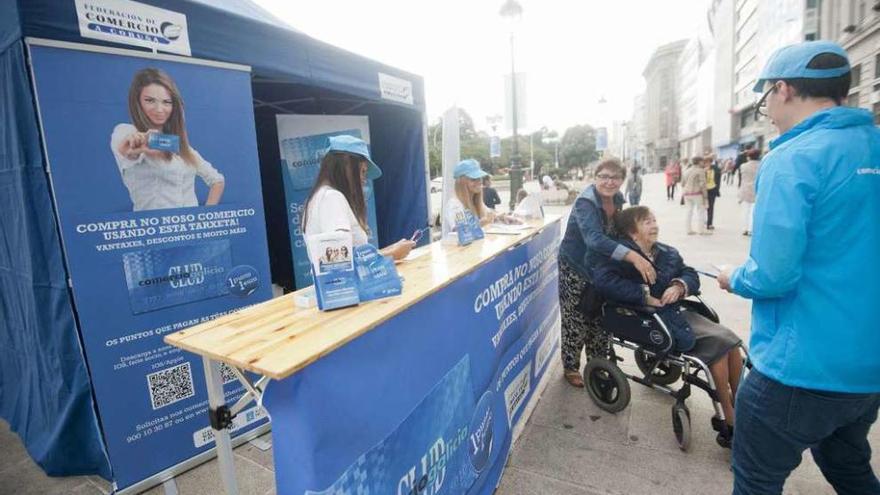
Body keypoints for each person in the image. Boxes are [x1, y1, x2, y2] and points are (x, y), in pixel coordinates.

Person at [716, 41, 880, 494]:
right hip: (867, 369)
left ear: (783, 89)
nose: (766, 108)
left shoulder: (792, 158)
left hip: (798, 369)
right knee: (848, 466)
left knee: (755, 481)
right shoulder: (874, 144)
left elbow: (773, 274)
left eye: (765, 97)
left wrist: (735, 277)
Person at [594, 206, 742, 444]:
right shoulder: (620, 258)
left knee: (732, 342)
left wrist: (680, 286)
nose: (654, 225)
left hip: (679, 313)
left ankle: (739, 402)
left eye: (654, 220)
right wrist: (643, 295)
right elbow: (604, 283)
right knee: (720, 350)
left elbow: (689, 273)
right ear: (632, 233)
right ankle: (729, 417)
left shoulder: (667, 252)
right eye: (646, 222)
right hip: (652, 318)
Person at [557, 158, 657, 388]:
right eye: (603, 176)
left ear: (622, 180)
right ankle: (571, 367)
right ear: (595, 177)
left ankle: (598, 363)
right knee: (576, 317)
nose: (609, 182)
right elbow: (593, 239)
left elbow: (621, 232)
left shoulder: (618, 199)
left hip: (602, 267)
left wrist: (643, 248)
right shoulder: (586, 202)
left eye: (614, 177)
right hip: (576, 267)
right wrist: (632, 257)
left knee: (602, 314)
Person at [112, 68, 225, 211]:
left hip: (190, 230)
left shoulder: (183, 148)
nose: (159, 109)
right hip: (154, 229)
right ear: (137, 102)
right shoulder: (126, 131)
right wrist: (134, 148)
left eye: (166, 102)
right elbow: (128, 152)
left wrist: (205, 216)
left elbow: (217, 180)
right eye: (150, 100)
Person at [303, 135, 414, 261]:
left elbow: (343, 256)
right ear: (346, 165)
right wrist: (392, 254)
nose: (364, 180)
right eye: (362, 171)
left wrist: (391, 249)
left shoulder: (319, 197)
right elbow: (339, 260)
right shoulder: (332, 198)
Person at [446, 159, 519, 229]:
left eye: (479, 178)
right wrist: (483, 222)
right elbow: (458, 230)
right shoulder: (455, 204)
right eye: (473, 179)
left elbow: (491, 214)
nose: (479, 182)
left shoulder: (477, 203)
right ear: (461, 183)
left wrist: (502, 217)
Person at [681, 157, 709, 235]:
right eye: (702, 161)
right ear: (699, 162)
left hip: (686, 193)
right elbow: (703, 184)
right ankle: (701, 230)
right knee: (701, 211)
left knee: (689, 211)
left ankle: (688, 230)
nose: (703, 163)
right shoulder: (700, 171)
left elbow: (682, 183)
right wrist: (705, 196)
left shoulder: (686, 170)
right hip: (697, 193)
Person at [737, 149, 761, 236]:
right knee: (753, 211)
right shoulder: (761, 165)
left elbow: (742, 179)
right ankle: (751, 229)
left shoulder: (743, 166)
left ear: (748, 157)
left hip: (745, 189)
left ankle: (745, 228)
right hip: (757, 189)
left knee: (745, 211)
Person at [704, 155, 722, 230]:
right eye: (705, 162)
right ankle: (705, 221)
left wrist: (717, 189)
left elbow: (718, 180)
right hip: (704, 191)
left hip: (712, 190)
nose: (707, 164)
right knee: (704, 207)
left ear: (711, 162)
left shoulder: (716, 169)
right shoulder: (702, 169)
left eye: (708, 162)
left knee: (710, 207)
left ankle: (709, 223)